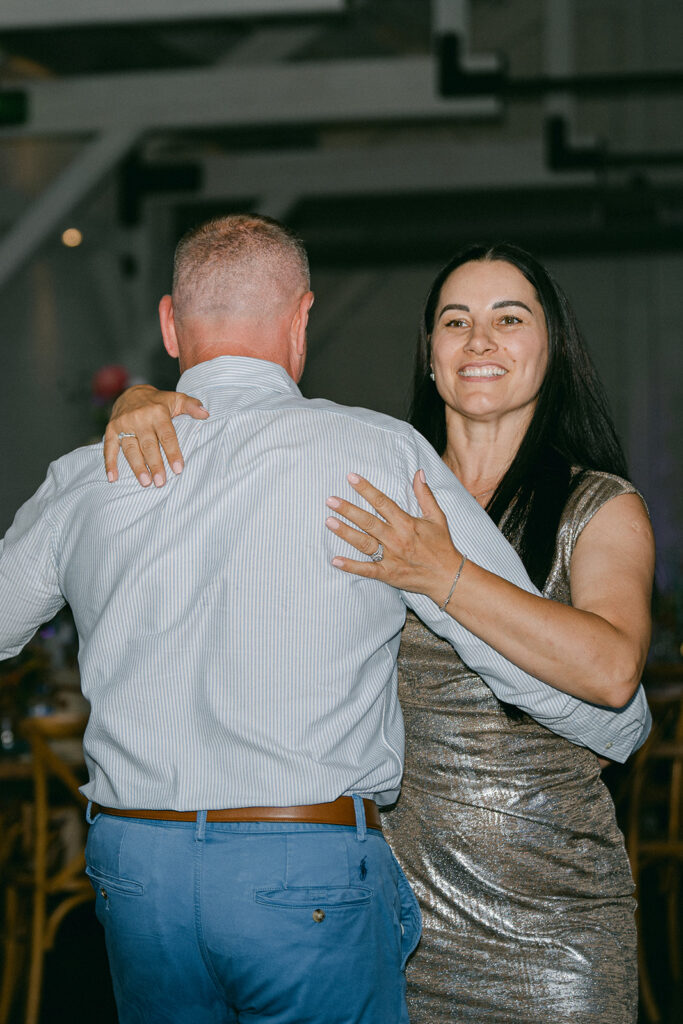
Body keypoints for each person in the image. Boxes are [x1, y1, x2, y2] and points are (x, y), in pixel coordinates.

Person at [106, 236, 653, 1023]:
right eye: (454, 322)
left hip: (550, 919)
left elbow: (610, 673)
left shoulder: (597, 508)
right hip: (378, 916)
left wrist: (442, 573)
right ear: (429, 355)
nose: (479, 341)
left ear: (551, 347)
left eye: (509, 318)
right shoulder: (362, 477)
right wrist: (145, 403)